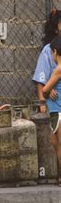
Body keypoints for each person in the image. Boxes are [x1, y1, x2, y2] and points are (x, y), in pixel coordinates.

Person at [40, 36, 61, 186]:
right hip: (56, 110)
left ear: (55, 52)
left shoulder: (58, 69)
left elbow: (45, 89)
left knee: (59, 144)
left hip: (58, 111)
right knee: (55, 142)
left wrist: (48, 89)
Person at [33, 10, 61, 114]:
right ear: (56, 29)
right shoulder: (49, 50)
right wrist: (42, 103)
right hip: (55, 104)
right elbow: (41, 79)